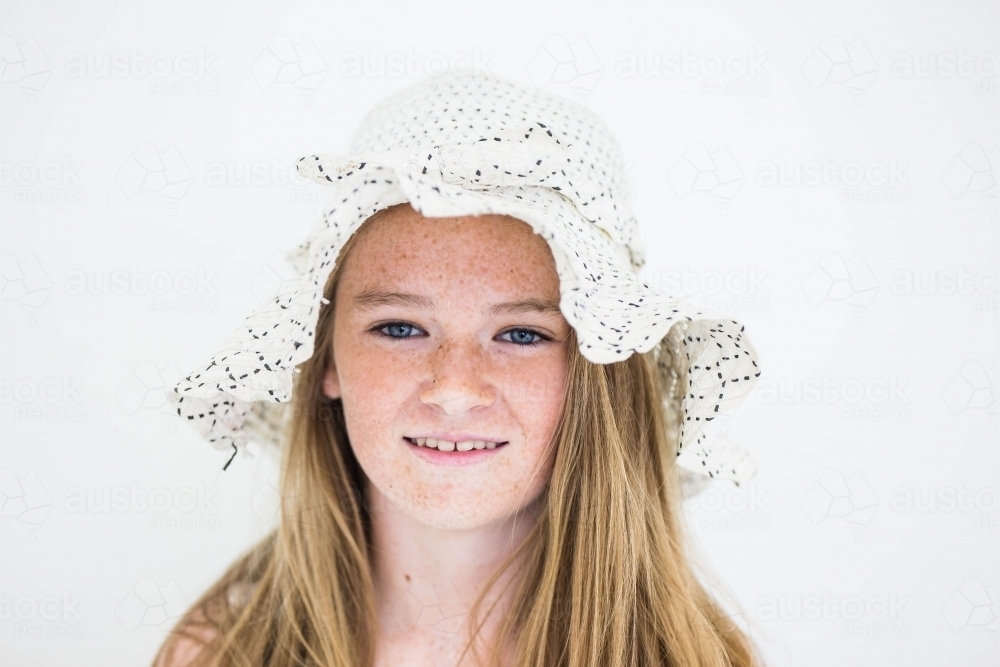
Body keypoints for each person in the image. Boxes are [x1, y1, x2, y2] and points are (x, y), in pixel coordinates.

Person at [152, 70, 763, 667]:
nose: (453, 390)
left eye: (522, 334)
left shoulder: (696, 658)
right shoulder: (218, 654)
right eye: (399, 328)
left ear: (596, 375)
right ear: (326, 360)